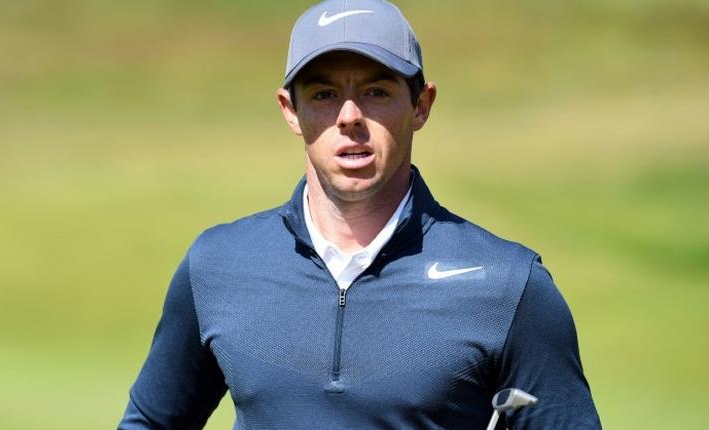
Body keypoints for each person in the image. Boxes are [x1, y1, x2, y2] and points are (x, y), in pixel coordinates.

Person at [118, 0, 601, 428]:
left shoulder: (508, 285)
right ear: (290, 110)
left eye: (376, 91)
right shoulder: (218, 265)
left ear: (421, 105)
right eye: (324, 94)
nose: (349, 116)